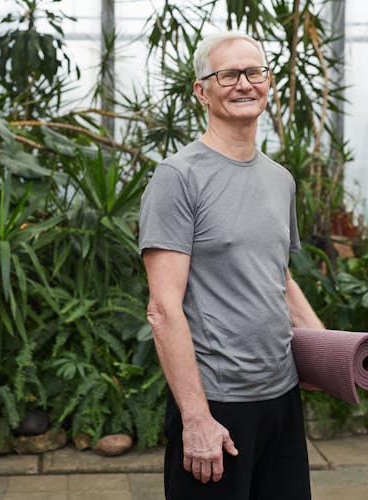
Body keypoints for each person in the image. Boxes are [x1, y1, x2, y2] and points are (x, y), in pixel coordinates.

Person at [138, 31, 325, 499]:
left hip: (281, 398)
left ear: (269, 83)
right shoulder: (178, 178)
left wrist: (326, 354)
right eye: (228, 74)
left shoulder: (280, 180)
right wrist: (196, 418)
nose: (245, 83)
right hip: (217, 403)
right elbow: (163, 308)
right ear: (201, 90)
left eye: (255, 72)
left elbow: (278, 278)